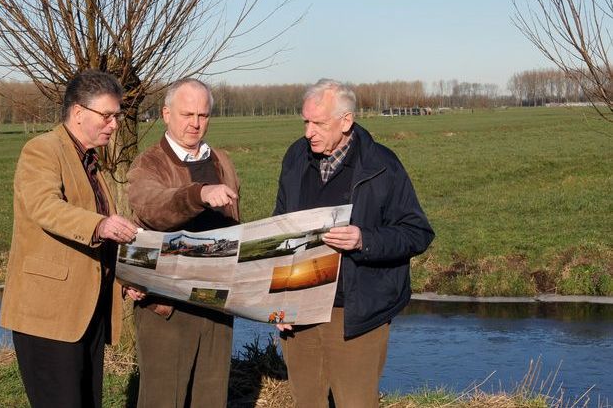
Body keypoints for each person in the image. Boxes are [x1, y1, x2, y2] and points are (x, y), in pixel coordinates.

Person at [274, 79, 434, 407]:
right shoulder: (295, 157)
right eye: (305, 121)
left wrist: (364, 239)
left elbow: (417, 232)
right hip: (300, 309)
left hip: (355, 312)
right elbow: (280, 229)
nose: (308, 132)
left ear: (346, 121)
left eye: (318, 123)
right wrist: (277, 299)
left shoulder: (382, 165)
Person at [0, 70, 143, 408]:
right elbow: (44, 207)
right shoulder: (42, 150)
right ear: (78, 113)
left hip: (85, 314)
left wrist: (123, 279)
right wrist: (102, 226)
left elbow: (93, 248)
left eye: (117, 116)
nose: (115, 125)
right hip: (48, 318)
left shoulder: (91, 162)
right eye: (107, 115)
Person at [127, 78, 240, 408]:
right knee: (164, 400)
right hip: (167, 308)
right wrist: (200, 194)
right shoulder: (149, 164)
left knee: (211, 399)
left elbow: (234, 224)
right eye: (187, 113)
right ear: (166, 114)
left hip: (217, 305)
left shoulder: (221, 161)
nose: (195, 123)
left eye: (202, 115)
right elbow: (154, 209)